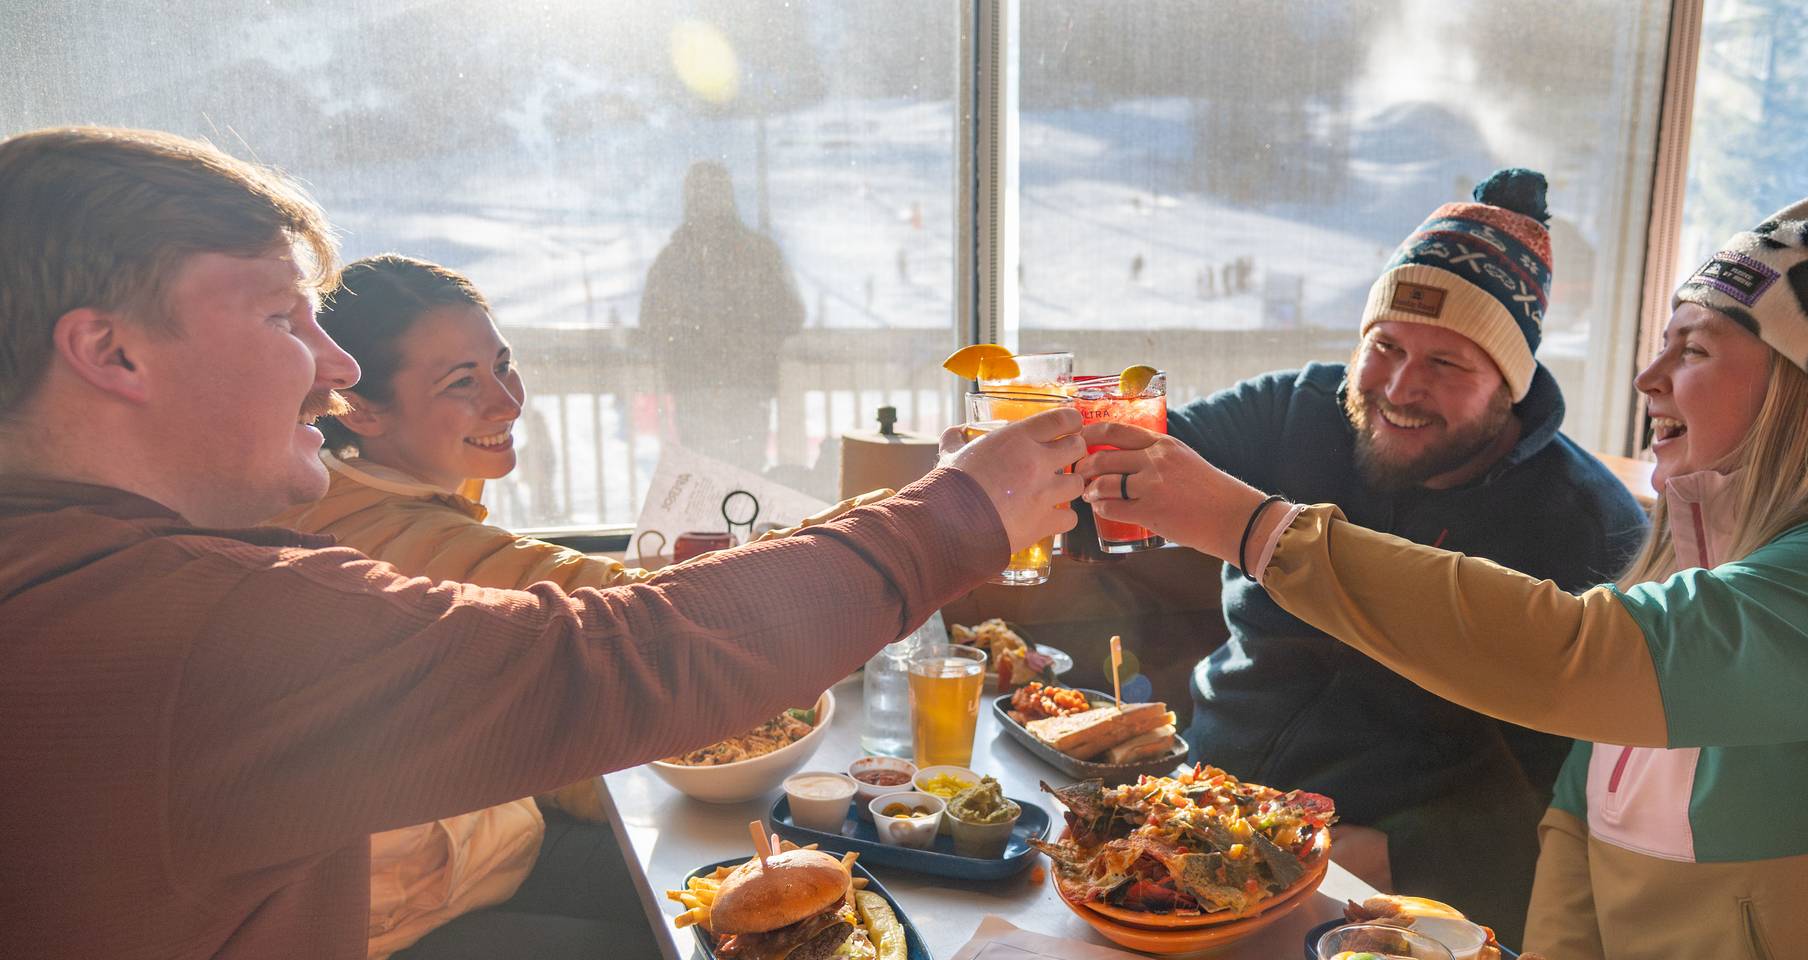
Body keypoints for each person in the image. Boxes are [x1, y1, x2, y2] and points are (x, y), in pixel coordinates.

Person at [0, 126, 1086, 959]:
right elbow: (610, 654)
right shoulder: (190, 621)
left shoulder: (70, 575)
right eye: (284, 321)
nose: (332, 370)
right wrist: (958, 513)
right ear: (111, 351)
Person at [1079, 162, 1808, 957]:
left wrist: (1258, 531)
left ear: (1800, 394)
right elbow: (1573, 834)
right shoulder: (1676, 568)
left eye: (1693, 351)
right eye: (1387, 345)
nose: (1647, 376)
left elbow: (1575, 657)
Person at [266, 254, 892, 959]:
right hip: (405, 908)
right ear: (359, 404)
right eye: (461, 382)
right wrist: (906, 529)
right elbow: (639, 608)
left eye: (503, 364)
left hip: (480, 841)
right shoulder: (393, 538)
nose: (506, 402)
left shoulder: (378, 493)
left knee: (713, 883)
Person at [1162, 168, 1646, 936]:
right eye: (1384, 345)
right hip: (1196, 799)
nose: (1399, 387)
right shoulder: (1299, 408)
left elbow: (1587, 785)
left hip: (1383, 891)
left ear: (1509, 386)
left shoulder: (1591, 526)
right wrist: (1027, 457)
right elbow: (1158, 452)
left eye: (1446, 364)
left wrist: (1405, 854)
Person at [639, 160, 803, 474]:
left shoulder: (674, 259)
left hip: (703, 388)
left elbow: (651, 325)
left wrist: (686, 344)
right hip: (741, 387)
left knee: (708, 482)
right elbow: (790, 315)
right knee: (742, 483)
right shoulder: (758, 252)